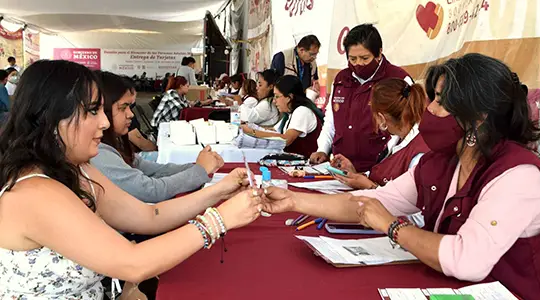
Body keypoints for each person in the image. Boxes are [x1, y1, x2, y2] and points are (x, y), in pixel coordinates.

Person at [264, 54, 540, 300]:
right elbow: (372, 201)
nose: (428, 109)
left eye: (440, 101)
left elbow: (467, 260)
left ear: (479, 115)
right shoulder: (442, 162)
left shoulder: (519, 176)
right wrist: (293, 200)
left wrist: (392, 227)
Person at [0, 59, 263, 299]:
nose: (104, 122)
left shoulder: (76, 170)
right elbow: (133, 263)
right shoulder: (35, 193)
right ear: (52, 117)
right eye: (92, 111)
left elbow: (149, 215)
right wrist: (220, 219)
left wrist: (219, 192)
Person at [91, 70, 223, 203]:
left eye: (130, 107)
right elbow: (150, 191)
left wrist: (197, 167)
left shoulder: (115, 144)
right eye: (123, 108)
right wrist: (199, 171)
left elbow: (154, 170)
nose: (130, 114)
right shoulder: (99, 154)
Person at [309, 24, 411, 172]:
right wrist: (323, 149)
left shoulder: (398, 79)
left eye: (364, 58)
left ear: (379, 53)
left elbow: (408, 128)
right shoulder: (341, 79)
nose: (358, 64)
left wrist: (383, 168)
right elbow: (331, 121)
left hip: (380, 170)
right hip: (340, 169)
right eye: (352, 59)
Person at [331, 77, 430, 190]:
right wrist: (356, 174)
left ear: (381, 118)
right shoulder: (395, 140)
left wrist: (370, 186)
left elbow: (414, 201)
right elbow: (383, 176)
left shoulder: (419, 153)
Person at [241, 75, 324, 157]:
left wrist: (252, 132)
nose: (274, 101)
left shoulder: (302, 111)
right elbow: (274, 131)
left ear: (289, 97)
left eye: (277, 96)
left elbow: (285, 139)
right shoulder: (290, 114)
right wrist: (250, 127)